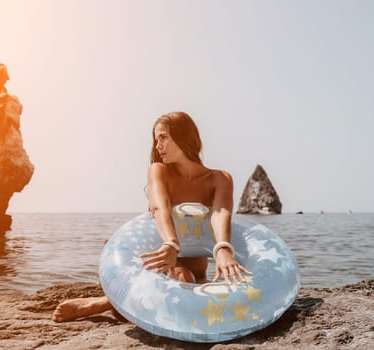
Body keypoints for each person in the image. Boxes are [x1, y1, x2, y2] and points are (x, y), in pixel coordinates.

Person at [52, 111, 250, 322]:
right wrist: (171, 244)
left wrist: (223, 249)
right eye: (156, 140)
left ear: (183, 136)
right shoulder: (159, 171)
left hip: (194, 271)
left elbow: (220, 213)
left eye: (163, 137)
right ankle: (104, 302)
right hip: (157, 262)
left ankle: (116, 302)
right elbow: (159, 207)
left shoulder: (219, 179)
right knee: (181, 280)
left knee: (188, 281)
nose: (158, 146)